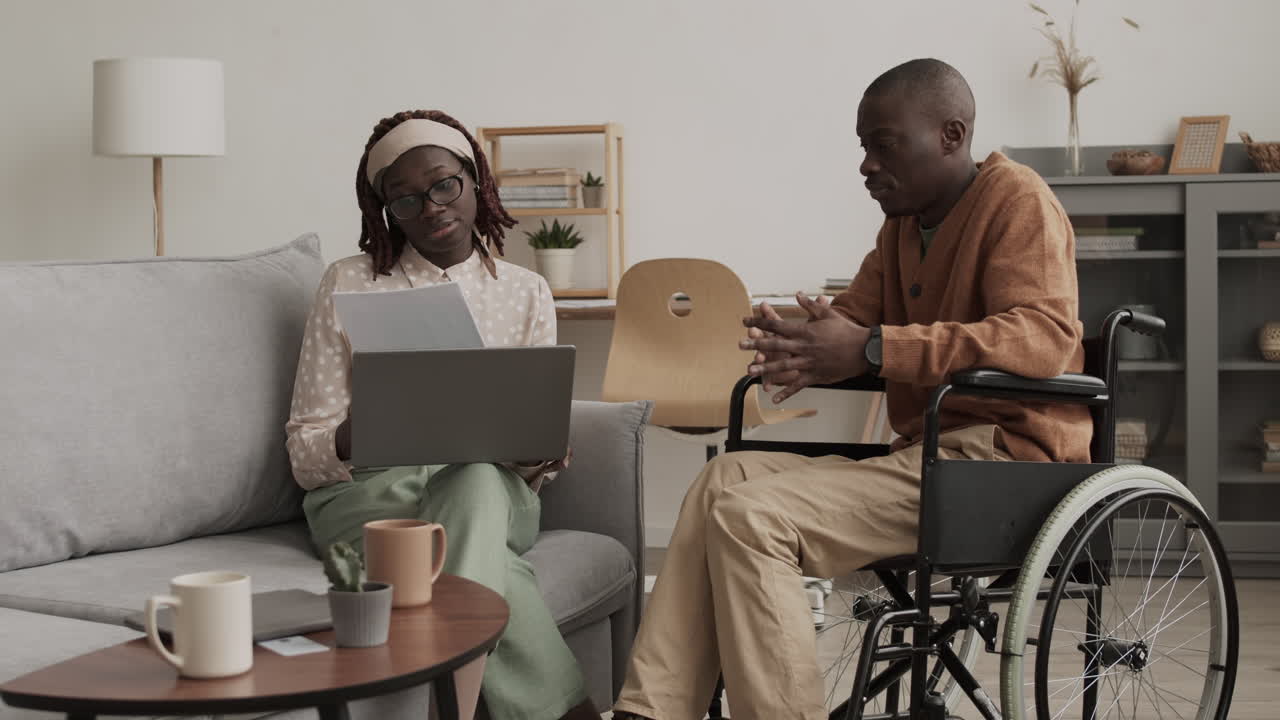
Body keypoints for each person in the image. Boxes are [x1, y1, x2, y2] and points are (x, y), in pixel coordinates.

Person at [611, 58, 1093, 720]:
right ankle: (654, 711)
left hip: (1006, 466)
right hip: (928, 461)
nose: (866, 164)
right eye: (863, 146)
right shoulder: (901, 229)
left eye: (883, 144)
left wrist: (870, 348)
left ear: (951, 135)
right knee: (723, 482)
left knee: (754, 519)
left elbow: (1040, 336)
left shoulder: (1019, 202)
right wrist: (805, 347)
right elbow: (856, 321)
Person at [285, 109, 597, 720]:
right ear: (384, 213)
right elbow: (305, 452)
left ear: (475, 180)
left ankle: (445, 702)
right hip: (371, 497)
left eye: (443, 185)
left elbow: (539, 467)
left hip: (494, 489)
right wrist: (367, 422)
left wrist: (535, 454)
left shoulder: (526, 290)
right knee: (483, 541)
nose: (429, 208)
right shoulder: (347, 282)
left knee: (477, 480)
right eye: (403, 201)